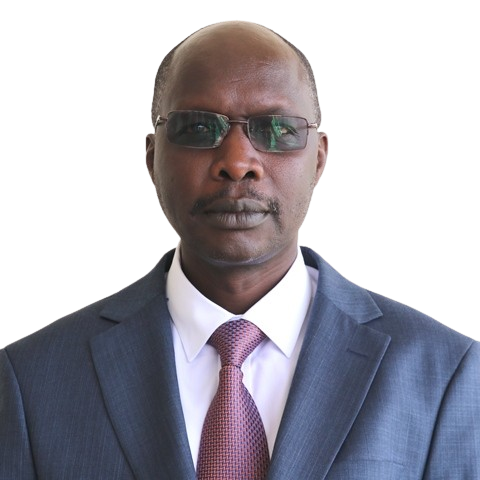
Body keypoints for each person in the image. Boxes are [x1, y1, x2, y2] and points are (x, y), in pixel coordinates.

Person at [1, 20, 479, 480]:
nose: (236, 163)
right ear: (151, 157)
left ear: (319, 158)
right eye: (197, 128)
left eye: (276, 129)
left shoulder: (443, 370)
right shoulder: (32, 379)